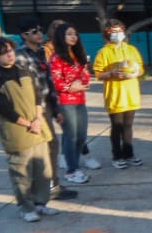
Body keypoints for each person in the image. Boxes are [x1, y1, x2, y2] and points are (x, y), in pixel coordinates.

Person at [0, 37, 60, 224]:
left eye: (10, 50)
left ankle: (41, 203)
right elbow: (2, 109)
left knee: (44, 170)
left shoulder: (25, 71)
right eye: (3, 53)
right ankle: (26, 208)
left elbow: (38, 96)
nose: (9, 55)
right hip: (18, 132)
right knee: (22, 173)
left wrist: (38, 119)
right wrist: (28, 124)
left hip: (38, 128)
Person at [16, 16, 76, 201]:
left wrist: (56, 109)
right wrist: (34, 114)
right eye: (34, 32)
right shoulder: (20, 55)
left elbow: (48, 81)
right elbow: (24, 86)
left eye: (40, 30)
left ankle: (52, 184)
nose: (39, 34)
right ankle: (47, 187)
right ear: (24, 35)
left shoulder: (41, 52)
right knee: (44, 147)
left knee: (52, 145)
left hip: (46, 105)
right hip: (33, 109)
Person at [91, 16, 145, 169]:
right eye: (113, 32)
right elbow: (98, 73)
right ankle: (117, 156)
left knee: (128, 126)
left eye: (119, 31)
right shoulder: (103, 52)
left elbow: (141, 69)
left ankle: (129, 154)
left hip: (131, 94)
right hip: (115, 95)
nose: (117, 34)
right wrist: (111, 73)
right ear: (107, 34)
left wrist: (134, 74)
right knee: (117, 126)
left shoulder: (131, 50)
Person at [45, 20, 94, 182]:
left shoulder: (78, 56)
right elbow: (55, 81)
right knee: (70, 136)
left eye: (75, 34)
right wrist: (70, 87)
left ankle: (74, 165)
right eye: (69, 34)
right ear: (61, 36)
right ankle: (71, 170)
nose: (73, 37)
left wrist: (80, 83)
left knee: (81, 136)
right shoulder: (56, 58)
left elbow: (86, 76)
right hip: (65, 102)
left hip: (80, 100)